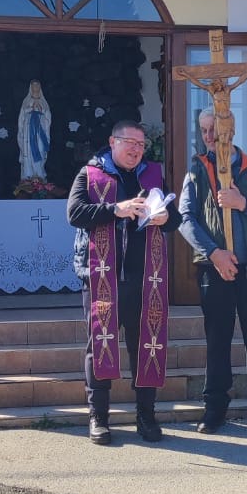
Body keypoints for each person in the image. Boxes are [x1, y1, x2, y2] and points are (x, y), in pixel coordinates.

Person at [67, 120, 180, 444]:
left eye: (141, 145)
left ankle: (146, 416)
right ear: (113, 142)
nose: (136, 150)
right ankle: (98, 418)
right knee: (99, 345)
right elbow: (74, 213)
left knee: (146, 345)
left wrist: (165, 217)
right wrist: (116, 209)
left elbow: (174, 218)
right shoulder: (90, 174)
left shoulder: (152, 175)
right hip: (101, 276)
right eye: (130, 142)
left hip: (145, 278)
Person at [178, 109, 247, 434]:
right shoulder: (197, 169)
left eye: (214, 129)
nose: (208, 136)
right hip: (215, 268)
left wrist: (243, 204)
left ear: (231, 129)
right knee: (217, 339)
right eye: (203, 130)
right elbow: (185, 219)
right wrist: (215, 254)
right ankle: (214, 409)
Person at [17, 80, 51, 181]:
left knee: (40, 149)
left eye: (37, 86)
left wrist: (41, 110)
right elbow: (22, 116)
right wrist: (31, 108)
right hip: (28, 132)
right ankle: (28, 176)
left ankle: (39, 175)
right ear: (31, 88)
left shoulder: (43, 101)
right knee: (28, 151)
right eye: (33, 86)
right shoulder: (26, 101)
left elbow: (48, 116)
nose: (35, 88)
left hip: (40, 131)